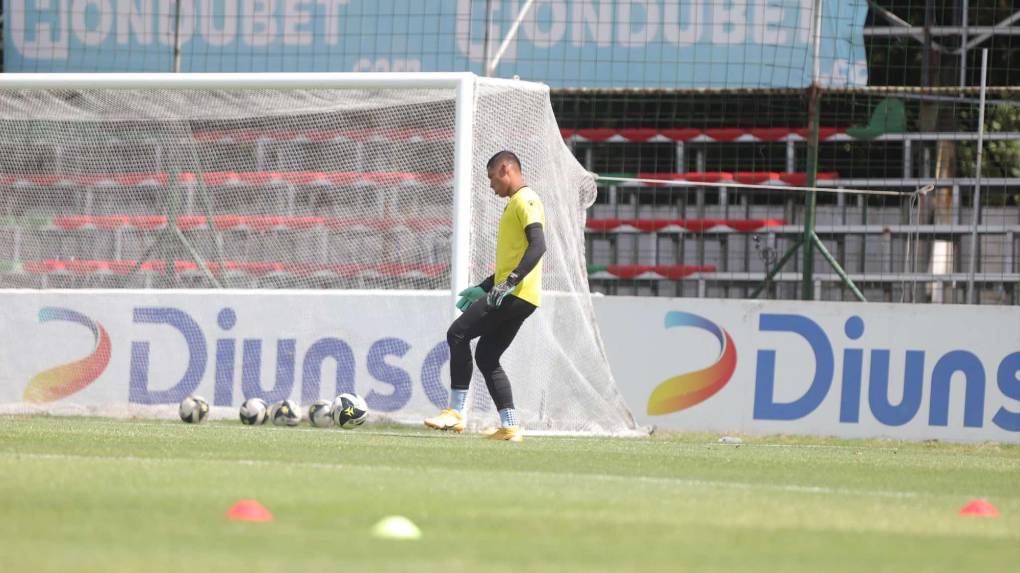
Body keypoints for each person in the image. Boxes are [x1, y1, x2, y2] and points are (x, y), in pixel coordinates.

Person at [424, 150, 546, 442]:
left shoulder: (526, 200)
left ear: (506, 169)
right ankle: (510, 425)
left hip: (515, 294)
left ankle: (455, 413)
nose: (491, 186)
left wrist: (508, 284)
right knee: (488, 356)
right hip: (519, 295)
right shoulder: (514, 204)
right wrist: (486, 285)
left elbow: (538, 246)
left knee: (458, 334)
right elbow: (513, 259)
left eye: (492, 178)